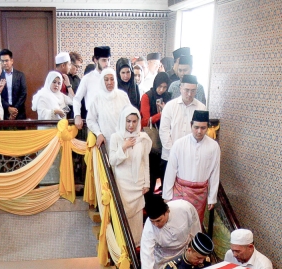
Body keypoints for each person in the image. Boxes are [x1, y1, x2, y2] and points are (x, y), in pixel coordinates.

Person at [163, 109, 220, 223]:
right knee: (177, 223)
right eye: (196, 127)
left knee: (194, 224)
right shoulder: (179, 144)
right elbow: (171, 170)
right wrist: (167, 195)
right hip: (180, 190)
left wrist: (212, 197)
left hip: (200, 194)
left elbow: (215, 172)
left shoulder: (214, 146)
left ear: (207, 127)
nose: (199, 131)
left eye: (203, 128)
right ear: (191, 125)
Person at [109, 105, 152, 241]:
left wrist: (147, 183)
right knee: (123, 214)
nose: (131, 125)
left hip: (138, 184)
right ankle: (122, 243)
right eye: (128, 121)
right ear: (123, 121)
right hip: (122, 183)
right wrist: (124, 146)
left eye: (134, 121)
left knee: (137, 218)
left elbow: (145, 162)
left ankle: (136, 245)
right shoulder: (116, 137)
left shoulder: (143, 138)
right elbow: (112, 161)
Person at [139, 194, 201, 269]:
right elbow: (147, 259)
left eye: (159, 220)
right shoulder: (149, 229)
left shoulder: (184, 208)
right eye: (153, 221)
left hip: (183, 254)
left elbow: (196, 229)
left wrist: (197, 251)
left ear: (167, 211)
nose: (156, 224)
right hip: (162, 259)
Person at [159, 75, 206, 169]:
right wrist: (173, 151)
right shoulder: (170, 106)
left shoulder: (201, 108)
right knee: (169, 183)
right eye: (187, 90)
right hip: (170, 156)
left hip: (191, 157)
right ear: (180, 88)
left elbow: (202, 132)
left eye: (193, 91)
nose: (189, 94)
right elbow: (164, 131)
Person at [87, 67, 130, 148]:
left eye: (112, 79)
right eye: (106, 80)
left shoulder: (123, 95)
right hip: (106, 141)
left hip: (123, 140)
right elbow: (90, 120)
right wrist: (98, 133)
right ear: (102, 81)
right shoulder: (97, 98)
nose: (109, 82)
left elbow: (130, 115)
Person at [72, 45, 110, 130]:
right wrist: (77, 116)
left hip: (109, 121)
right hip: (93, 120)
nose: (107, 63)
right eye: (104, 60)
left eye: (108, 60)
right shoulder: (87, 78)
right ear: (95, 60)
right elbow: (76, 99)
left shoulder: (112, 78)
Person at [0, 48, 26, 120]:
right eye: (2, 61)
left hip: (19, 112)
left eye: (6, 60)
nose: (4, 63)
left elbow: (23, 94)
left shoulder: (20, 75)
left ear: (12, 61)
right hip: (4, 112)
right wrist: (8, 108)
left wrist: (14, 110)